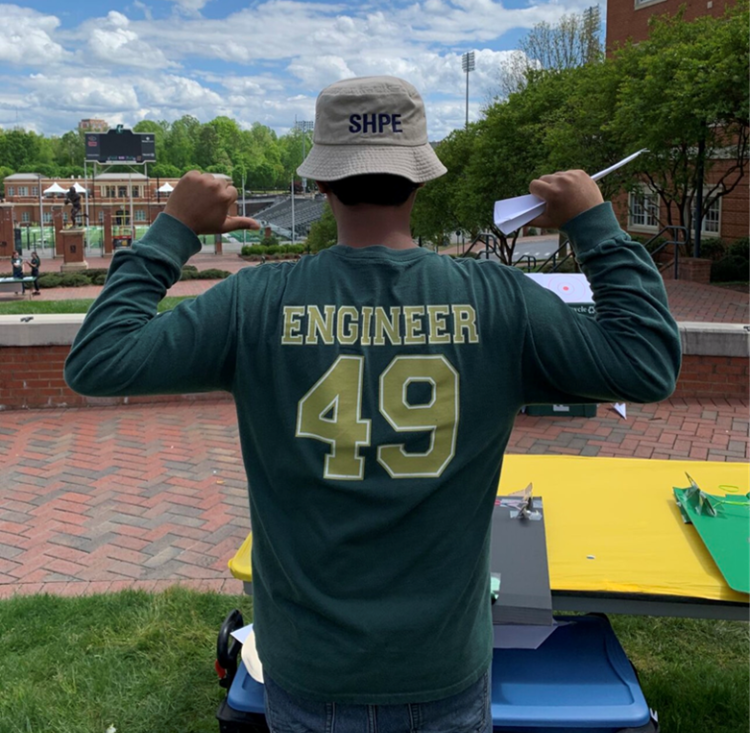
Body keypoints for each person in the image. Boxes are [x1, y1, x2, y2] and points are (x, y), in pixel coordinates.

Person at [65, 76, 681, 732]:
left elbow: (99, 360)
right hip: (442, 664)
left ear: (323, 183)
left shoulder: (255, 303)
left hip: (310, 664)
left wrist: (172, 231)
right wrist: (595, 226)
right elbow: (646, 363)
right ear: (420, 179)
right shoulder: (499, 301)